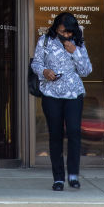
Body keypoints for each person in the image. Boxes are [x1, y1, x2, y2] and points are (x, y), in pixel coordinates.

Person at [30, 11, 92, 191]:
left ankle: (73, 174)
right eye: (63, 31)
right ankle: (58, 178)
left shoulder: (78, 43)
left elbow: (86, 70)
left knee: (74, 132)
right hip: (51, 94)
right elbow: (36, 63)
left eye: (69, 32)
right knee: (55, 135)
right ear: (56, 27)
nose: (65, 35)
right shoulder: (45, 41)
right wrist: (44, 72)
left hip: (74, 94)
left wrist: (76, 53)